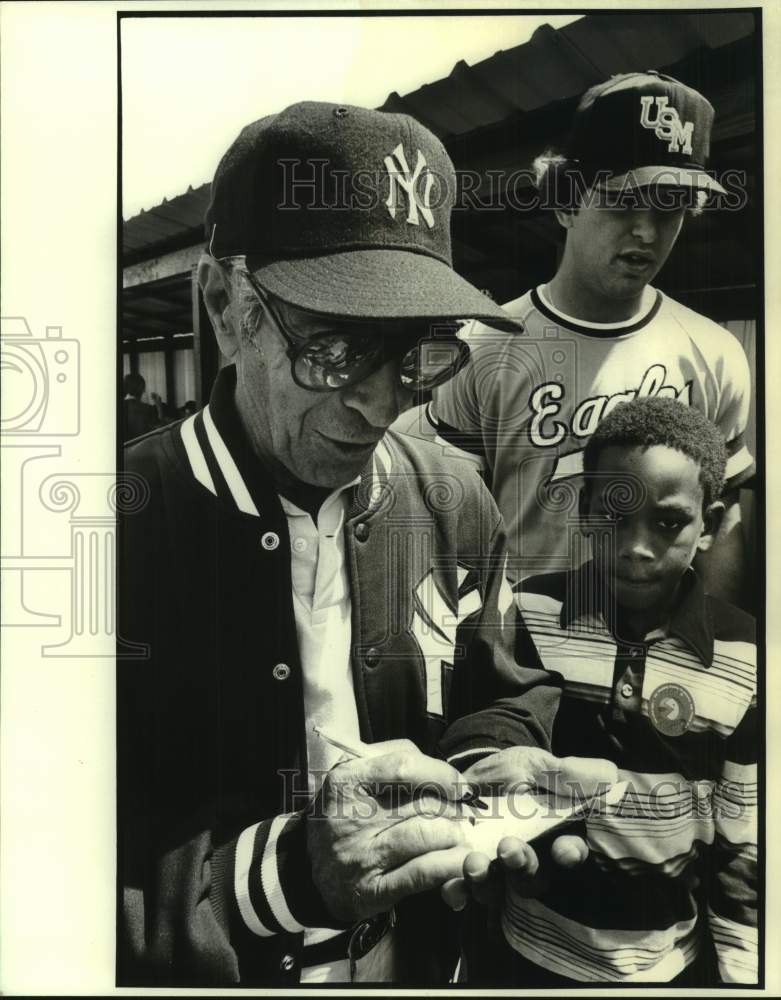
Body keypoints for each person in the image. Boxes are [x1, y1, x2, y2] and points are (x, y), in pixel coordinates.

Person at [118, 100, 615, 987]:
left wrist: (486, 771)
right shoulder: (102, 535)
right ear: (229, 306)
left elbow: (500, 683)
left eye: (418, 353)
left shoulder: (452, 499)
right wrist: (285, 875)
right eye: (337, 348)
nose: (382, 404)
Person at [402, 71, 753, 605]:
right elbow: (443, 527)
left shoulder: (715, 354)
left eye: (670, 205)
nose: (647, 231)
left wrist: (707, 650)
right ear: (566, 200)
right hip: (523, 658)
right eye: (622, 200)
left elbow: (722, 517)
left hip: (655, 659)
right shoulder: (484, 345)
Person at [461, 397, 757, 985]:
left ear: (712, 526)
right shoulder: (530, 615)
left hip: (672, 961)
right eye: (614, 516)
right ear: (585, 510)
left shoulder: (745, 655)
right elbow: (491, 747)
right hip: (527, 949)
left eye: (669, 522)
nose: (636, 546)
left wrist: (743, 972)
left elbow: (741, 838)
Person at [121, 371, 163, 442]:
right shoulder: (147, 409)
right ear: (141, 389)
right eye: (143, 388)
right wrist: (159, 406)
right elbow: (161, 430)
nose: (144, 391)